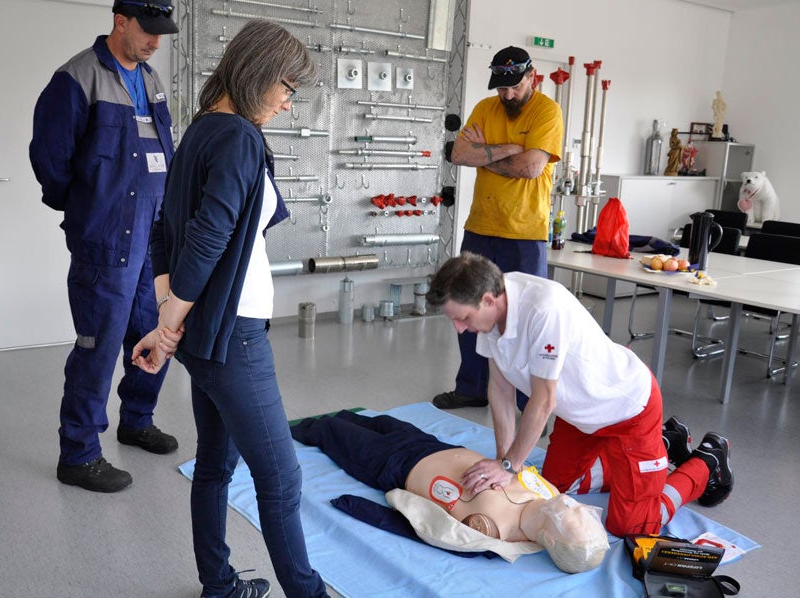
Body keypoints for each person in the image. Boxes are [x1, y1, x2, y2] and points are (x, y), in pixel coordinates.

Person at [130, 19, 329, 598]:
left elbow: (166, 231)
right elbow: (207, 236)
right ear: (261, 73)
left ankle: (218, 586)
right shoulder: (239, 136)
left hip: (209, 332)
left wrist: (170, 312)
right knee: (281, 478)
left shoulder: (201, 130)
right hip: (233, 337)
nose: (289, 104)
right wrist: (169, 321)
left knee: (216, 465)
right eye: (287, 88)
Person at [425, 252, 735, 538]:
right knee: (553, 490)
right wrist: (504, 462)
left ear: (489, 300)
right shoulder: (491, 313)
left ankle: (707, 461)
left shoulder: (544, 309)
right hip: (579, 416)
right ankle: (665, 443)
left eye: (462, 318)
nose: (460, 328)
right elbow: (501, 390)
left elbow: (543, 400)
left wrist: (509, 467)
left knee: (631, 524)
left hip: (627, 410)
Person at [29, 0, 180, 493]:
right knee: (98, 344)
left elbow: (163, 151)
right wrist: (87, 211)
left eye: (162, 32)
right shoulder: (76, 78)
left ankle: (136, 420)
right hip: (107, 238)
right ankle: (78, 454)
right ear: (120, 21)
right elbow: (50, 159)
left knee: (155, 332)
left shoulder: (152, 80)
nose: (156, 41)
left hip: (152, 234)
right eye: (148, 30)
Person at [291, 410, 611, 573]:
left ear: (552, 540)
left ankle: (267, 426)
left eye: (571, 516)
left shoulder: (492, 530)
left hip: (395, 465)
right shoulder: (549, 496)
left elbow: (429, 528)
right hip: (433, 446)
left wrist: (371, 507)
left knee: (329, 430)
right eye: (581, 509)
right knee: (378, 420)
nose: (571, 504)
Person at [435, 46, 563, 411]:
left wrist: (486, 154)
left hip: (525, 232)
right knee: (468, 305)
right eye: (501, 88)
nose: (507, 95)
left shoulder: (547, 112)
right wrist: (509, 148)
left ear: (532, 76)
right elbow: (458, 155)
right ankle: (472, 386)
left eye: (514, 87)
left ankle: (527, 397)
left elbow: (531, 168)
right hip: (480, 227)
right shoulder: (484, 108)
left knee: (523, 316)